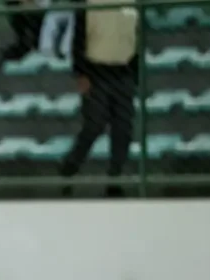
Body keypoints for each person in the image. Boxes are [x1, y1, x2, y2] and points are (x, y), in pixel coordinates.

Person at [59, 0, 139, 198]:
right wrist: (81, 72)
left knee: (123, 128)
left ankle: (115, 179)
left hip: (124, 70)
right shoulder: (88, 3)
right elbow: (79, 37)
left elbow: (136, 35)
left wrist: (135, 72)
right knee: (94, 125)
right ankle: (70, 167)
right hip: (96, 71)